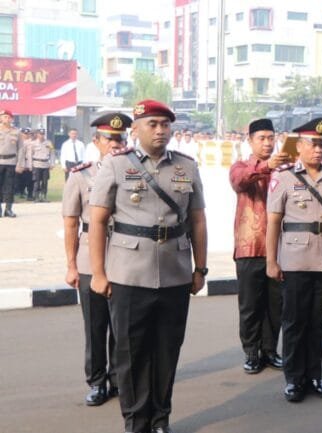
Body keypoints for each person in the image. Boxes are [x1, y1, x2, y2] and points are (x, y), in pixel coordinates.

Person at [89, 99, 208, 433]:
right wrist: (98, 273)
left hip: (175, 272)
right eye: (153, 124)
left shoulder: (187, 166)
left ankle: (160, 418)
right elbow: (97, 221)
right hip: (129, 272)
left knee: (167, 350)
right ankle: (136, 420)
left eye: (165, 124)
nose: (160, 130)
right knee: (131, 353)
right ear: (136, 129)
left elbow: (197, 220)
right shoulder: (115, 165)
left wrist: (200, 268)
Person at [265, 118, 322, 403]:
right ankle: (294, 379)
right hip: (295, 260)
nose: (318, 150)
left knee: (317, 322)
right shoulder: (284, 177)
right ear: (298, 147)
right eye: (312, 144)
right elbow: (273, 222)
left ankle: (314, 376)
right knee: (295, 321)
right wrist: (271, 260)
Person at [62, 112, 131, 407]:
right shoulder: (81, 175)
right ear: (97, 141)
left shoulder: (133, 172)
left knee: (122, 325)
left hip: (124, 256)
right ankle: (96, 380)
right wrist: (71, 265)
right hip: (91, 258)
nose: (115, 144)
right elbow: (70, 223)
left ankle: (118, 378)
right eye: (110, 139)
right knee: (95, 324)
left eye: (120, 138)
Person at [229, 118, 290, 374]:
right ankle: (251, 352)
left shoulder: (286, 168)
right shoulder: (241, 166)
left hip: (279, 248)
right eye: (261, 138)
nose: (267, 142)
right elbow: (239, 182)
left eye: (270, 137)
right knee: (251, 305)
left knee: (276, 305)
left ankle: (270, 349)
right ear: (250, 141)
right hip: (250, 247)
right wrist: (267, 167)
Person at [0, 108, 22, 217]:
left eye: (8, 117)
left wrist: (19, 164)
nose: (6, 119)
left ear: (12, 119)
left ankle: (8, 209)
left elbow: (21, 149)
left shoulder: (16, 132)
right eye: (4, 116)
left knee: (10, 186)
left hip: (11, 162)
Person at [27, 128, 55, 202]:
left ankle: (44, 196)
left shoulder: (49, 143)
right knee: (36, 181)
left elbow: (52, 154)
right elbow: (29, 155)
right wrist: (30, 165)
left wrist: (52, 163)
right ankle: (36, 197)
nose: (41, 136)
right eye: (40, 134)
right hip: (36, 164)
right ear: (37, 134)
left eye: (43, 134)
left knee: (45, 182)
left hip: (45, 164)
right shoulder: (33, 143)